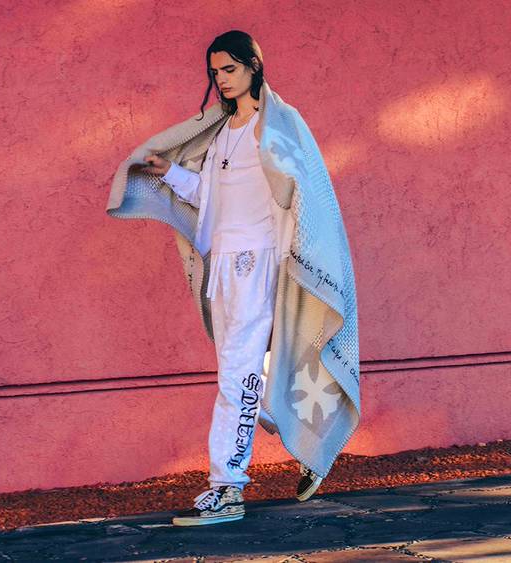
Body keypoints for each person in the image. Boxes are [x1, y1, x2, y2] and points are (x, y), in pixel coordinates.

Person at [139, 31, 324, 526]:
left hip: (257, 261)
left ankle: (227, 487)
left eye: (230, 69)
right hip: (221, 263)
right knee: (242, 371)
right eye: (215, 72)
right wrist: (169, 172)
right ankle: (312, 438)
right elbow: (212, 198)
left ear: (253, 66)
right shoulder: (223, 132)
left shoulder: (277, 124)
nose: (221, 79)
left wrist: (297, 262)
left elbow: (305, 192)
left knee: (237, 375)